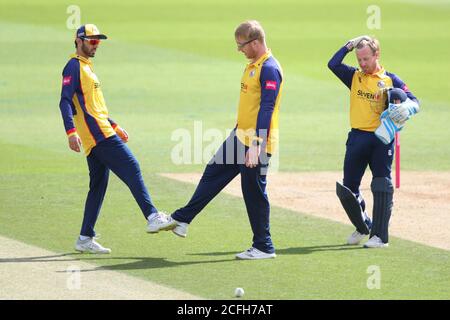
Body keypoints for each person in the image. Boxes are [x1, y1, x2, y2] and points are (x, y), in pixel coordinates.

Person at [149, 20, 283, 260]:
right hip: (239, 136)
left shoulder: (269, 68)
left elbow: (267, 108)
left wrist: (256, 145)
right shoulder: (253, 65)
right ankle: (182, 219)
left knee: (254, 192)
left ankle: (264, 246)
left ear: (255, 42)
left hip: (256, 143)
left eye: (241, 45)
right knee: (213, 172)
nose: (239, 49)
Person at [58, 24, 170, 254]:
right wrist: (71, 132)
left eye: (98, 41)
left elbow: (95, 108)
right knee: (132, 166)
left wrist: (115, 125)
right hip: (98, 135)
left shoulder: (88, 68)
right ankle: (152, 216)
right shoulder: (73, 66)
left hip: (101, 131)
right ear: (78, 41)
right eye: (92, 41)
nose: (95, 45)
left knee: (98, 185)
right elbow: (65, 101)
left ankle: (84, 237)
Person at [328, 35, 420, 248]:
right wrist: (349, 45)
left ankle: (380, 237)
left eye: (366, 59)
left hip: (382, 139)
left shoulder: (390, 80)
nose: (362, 64)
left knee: (381, 184)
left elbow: (415, 101)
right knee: (348, 188)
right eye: (359, 59)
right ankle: (363, 226)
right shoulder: (354, 77)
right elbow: (333, 64)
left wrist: (404, 108)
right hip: (357, 137)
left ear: (376, 55)